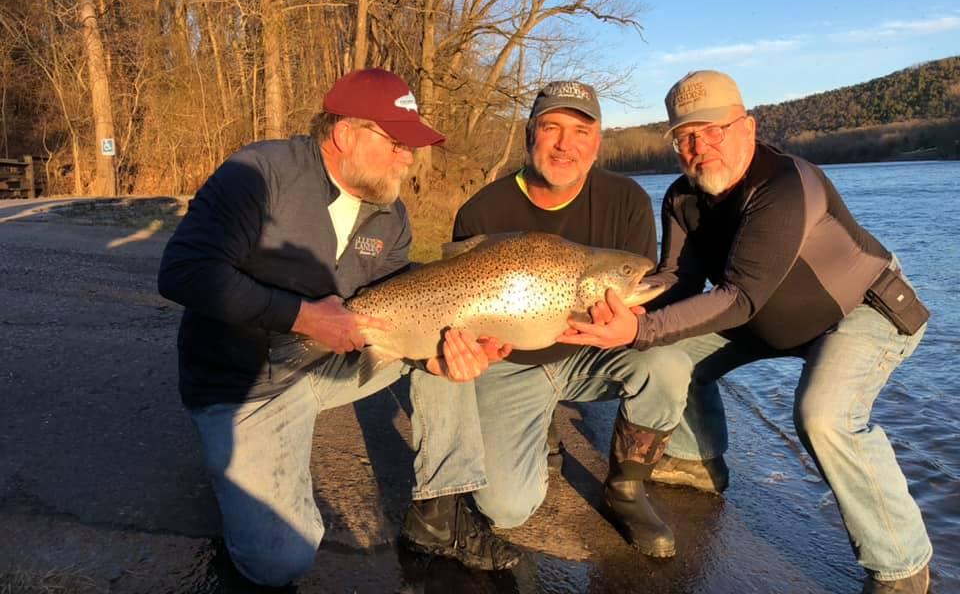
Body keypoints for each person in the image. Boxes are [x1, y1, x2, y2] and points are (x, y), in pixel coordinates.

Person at [560, 70, 932, 593]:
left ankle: (902, 567)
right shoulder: (681, 198)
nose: (700, 146)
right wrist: (620, 303)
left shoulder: (785, 185)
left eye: (714, 130)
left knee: (824, 417)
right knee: (670, 350)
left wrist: (637, 331)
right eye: (685, 136)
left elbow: (739, 296)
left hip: (859, 311)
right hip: (765, 318)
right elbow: (681, 280)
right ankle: (696, 460)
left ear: (748, 127)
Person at [158, 68, 520, 587]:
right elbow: (183, 273)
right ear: (345, 133)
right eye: (397, 143)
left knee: (450, 336)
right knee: (279, 563)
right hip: (244, 386)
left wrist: (445, 352)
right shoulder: (260, 174)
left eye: (411, 146)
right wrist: (304, 316)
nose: (408, 158)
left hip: (335, 363)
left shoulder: (391, 216)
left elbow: (401, 309)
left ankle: (440, 517)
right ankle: (236, 484)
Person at [422, 80, 693, 558]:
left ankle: (626, 489)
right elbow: (460, 308)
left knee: (669, 362)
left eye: (580, 131)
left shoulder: (626, 199)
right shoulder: (482, 210)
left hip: (593, 352)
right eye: (551, 128)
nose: (565, 144)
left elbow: (642, 297)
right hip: (511, 364)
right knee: (506, 509)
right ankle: (538, 423)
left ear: (597, 143)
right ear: (531, 135)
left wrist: (628, 320)